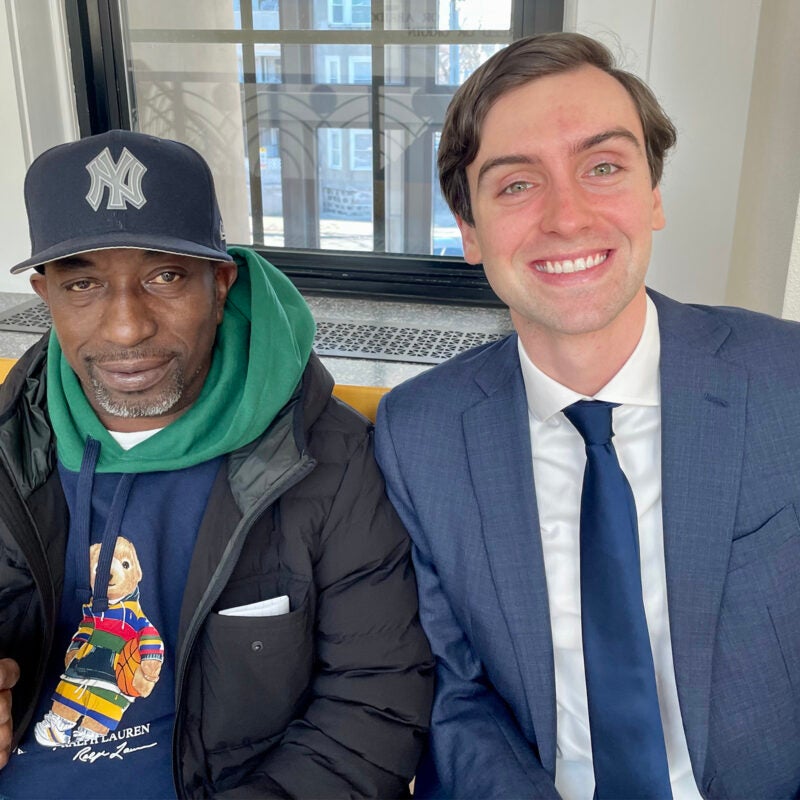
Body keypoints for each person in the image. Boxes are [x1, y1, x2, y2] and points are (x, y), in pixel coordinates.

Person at [374, 31, 800, 800]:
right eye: (515, 185)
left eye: (603, 167)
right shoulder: (419, 434)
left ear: (654, 194)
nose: (567, 218)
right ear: (470, 231)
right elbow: (453, 693)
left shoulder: (788, 381)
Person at [0, 128, 433, 799]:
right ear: (45, 293)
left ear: (221, 281)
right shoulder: (9, 444)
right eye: (82, 283)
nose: (125, 327)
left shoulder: (330, 459)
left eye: (165, 276)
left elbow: (373, 703)